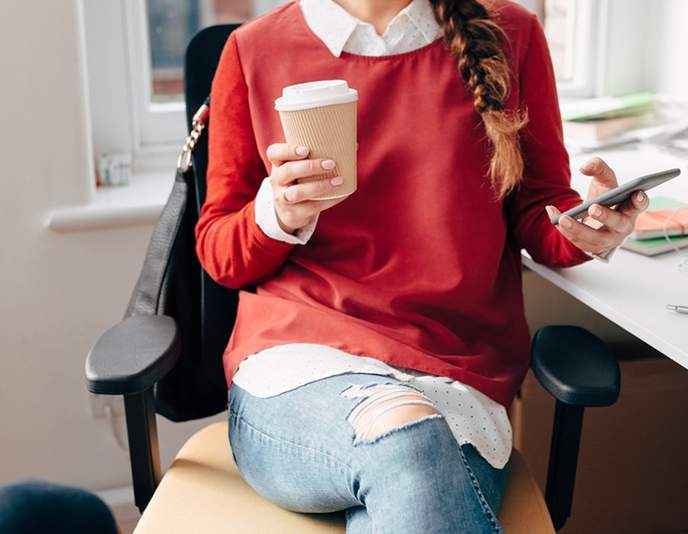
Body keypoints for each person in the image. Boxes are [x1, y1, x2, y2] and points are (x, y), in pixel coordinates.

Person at [195, 0, 648, 532]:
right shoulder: (254, 49)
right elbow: (220, 254)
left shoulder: (513, 35)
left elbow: (539, 211)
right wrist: (278, 212)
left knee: (413, 465)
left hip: (454, 374)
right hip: (301, 364)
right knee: (407, 441)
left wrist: (588, 232)